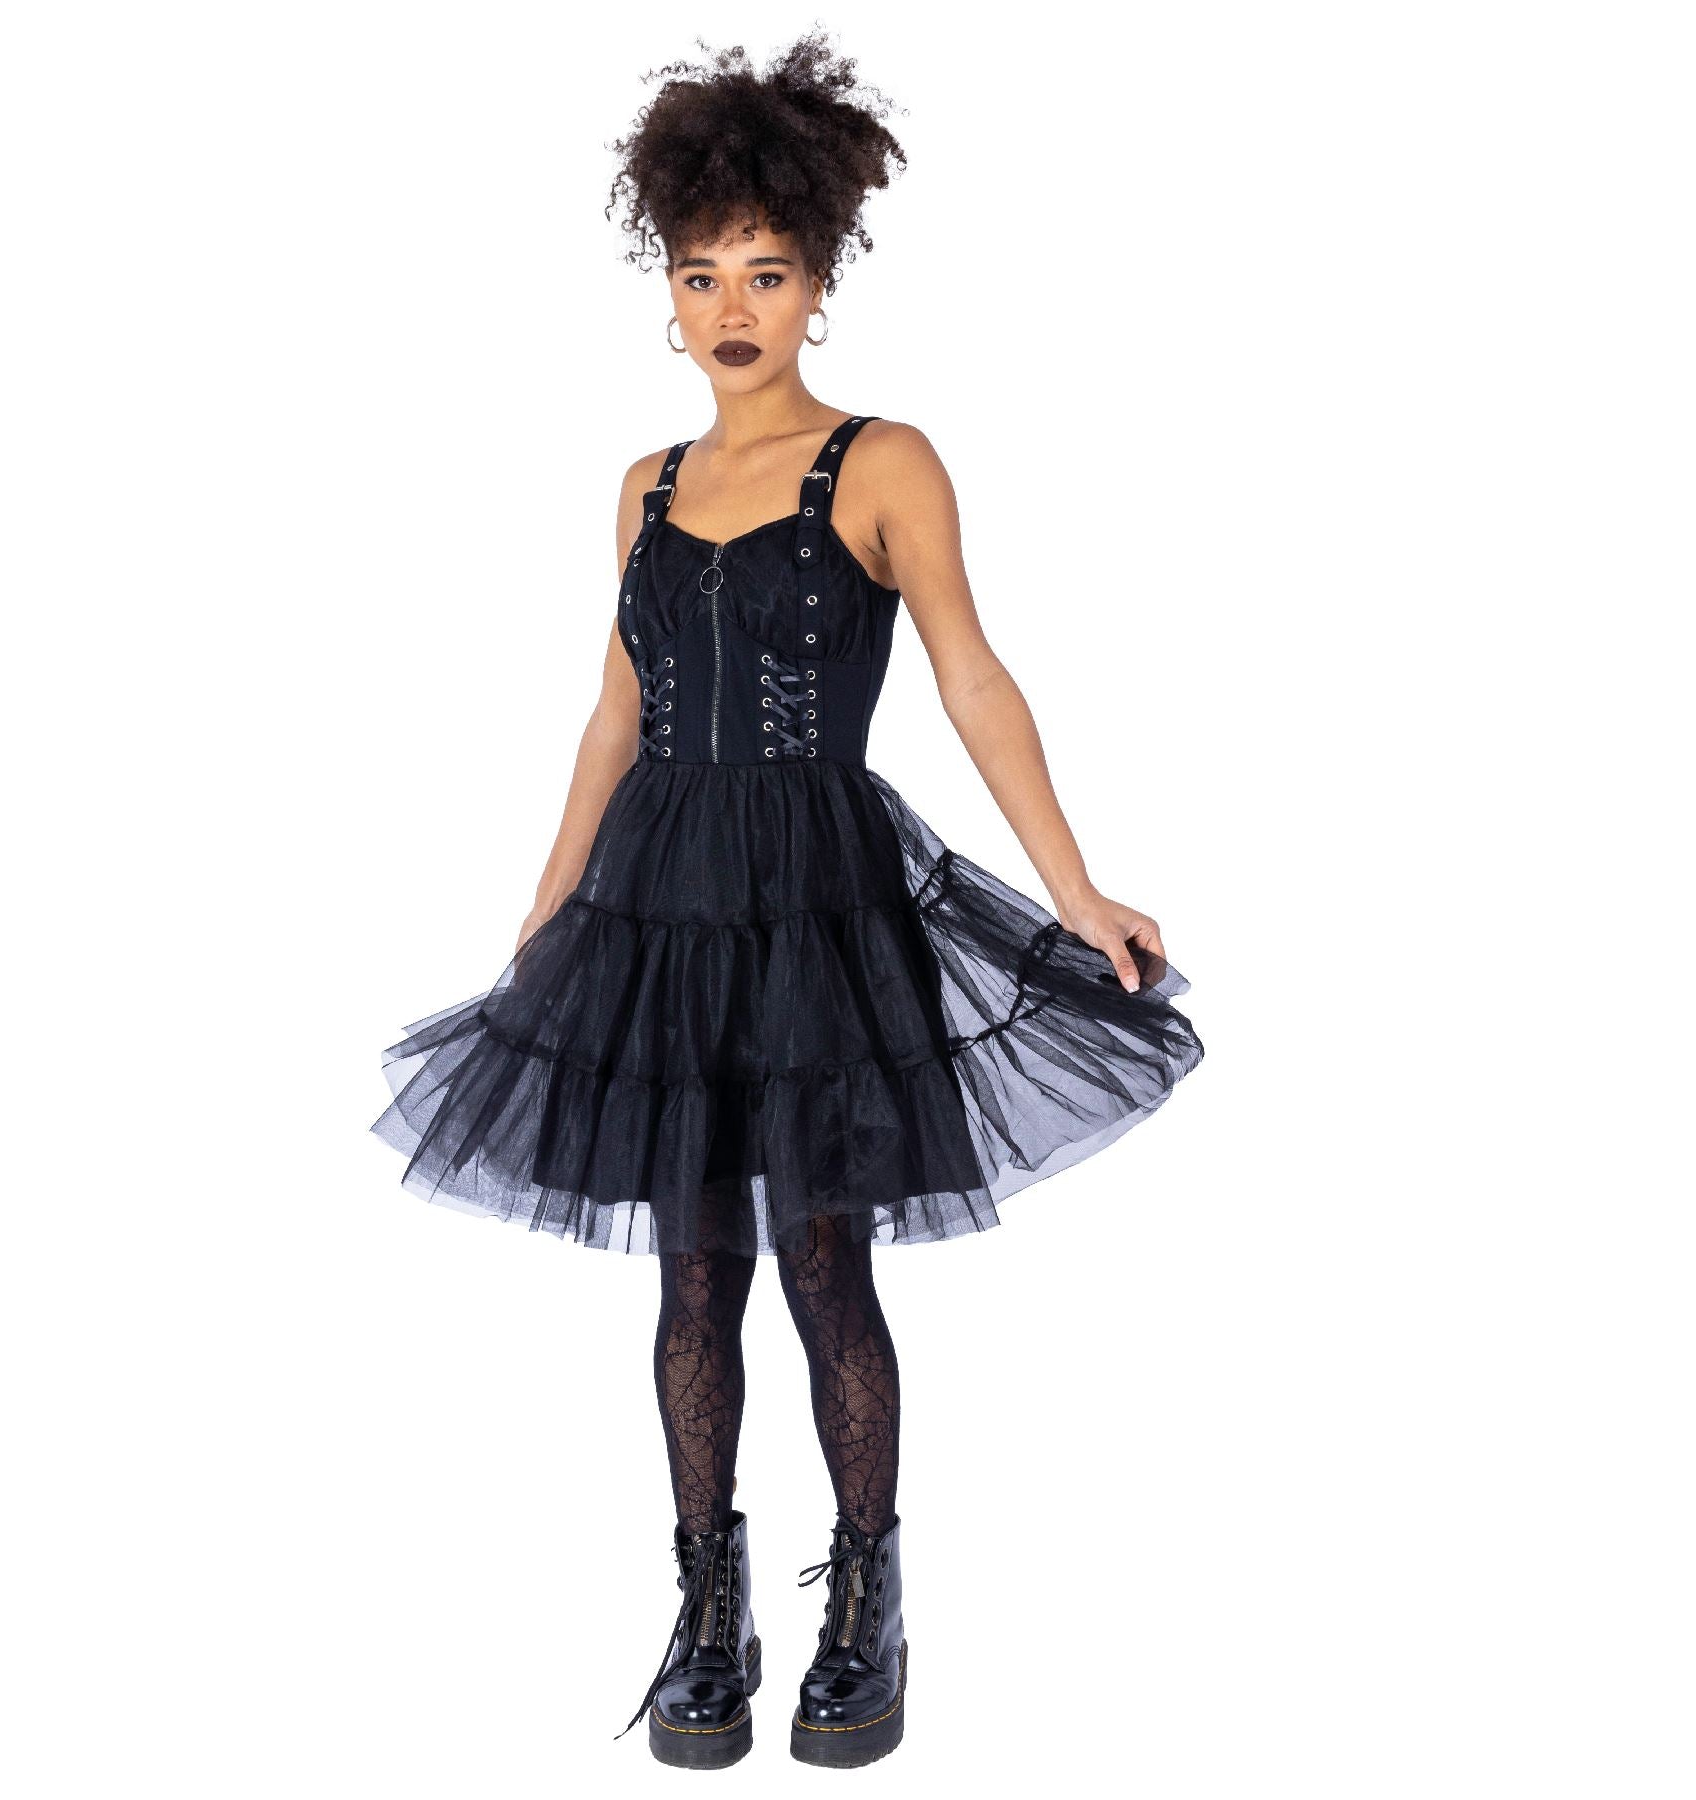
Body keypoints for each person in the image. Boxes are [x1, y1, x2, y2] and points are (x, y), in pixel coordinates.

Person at [371, 28, 1205, 1771]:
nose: (731, 308)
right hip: (661, 909)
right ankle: (708, 1607)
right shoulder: (645, 485)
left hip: (820, 902)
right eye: (701, 276)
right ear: (666, 293)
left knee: (826, 1263)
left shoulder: (883, 462)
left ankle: (867, 1602)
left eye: (764, 273)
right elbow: (616, 711)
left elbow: (974, 679)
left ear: (821, 280)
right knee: (692, 1275)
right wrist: (546, 908)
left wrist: (1077, 887)